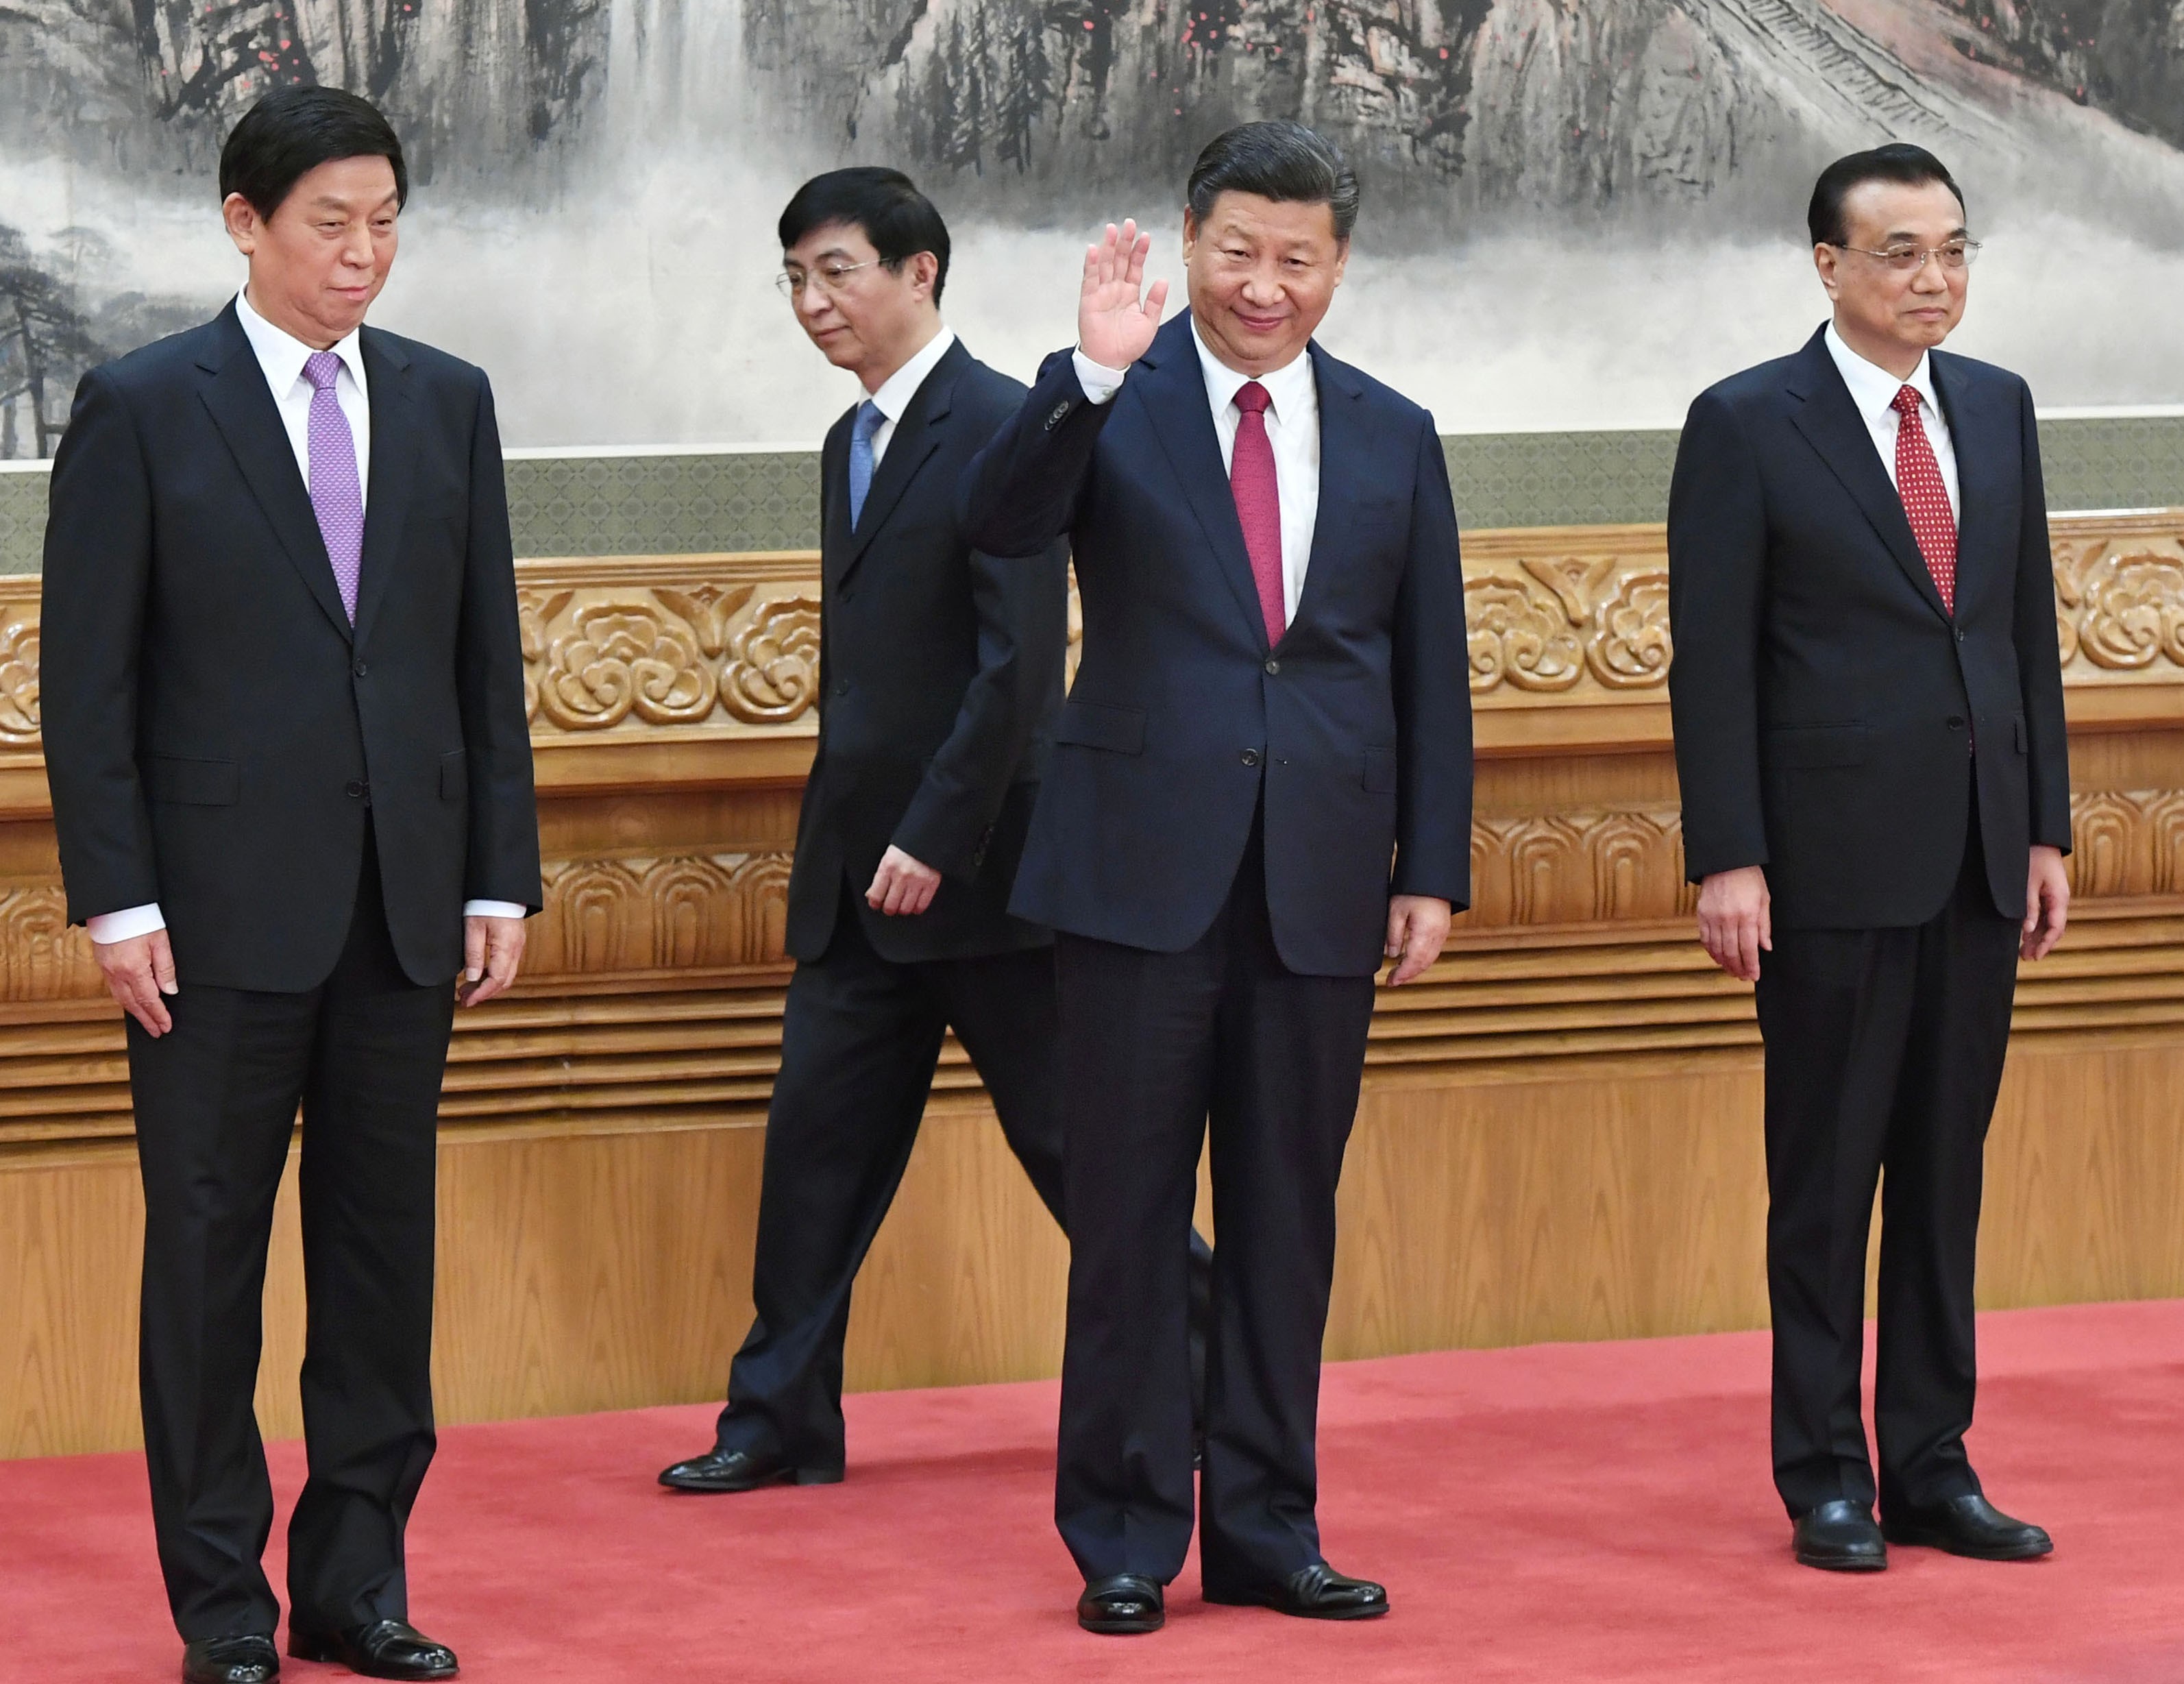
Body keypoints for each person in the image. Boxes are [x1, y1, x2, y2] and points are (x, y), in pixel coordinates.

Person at [40, 86, 539, 1684]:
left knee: (382, 1262)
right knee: (208, 1263)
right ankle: (224, 1608)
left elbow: (482, 665)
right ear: (243, 222)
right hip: (210, 919)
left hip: (406, 905)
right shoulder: (142, 403)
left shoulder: (448, 400)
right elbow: (86, 681)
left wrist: (497, 876)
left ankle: (354, 1582)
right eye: (331, 222)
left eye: (387, 220)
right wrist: (117, 899)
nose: (364, 253)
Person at [960, 121, 1473, 1634]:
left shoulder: (1391, 428)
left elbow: (1425, 670)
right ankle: (1123, 1531)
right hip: (1133, 876)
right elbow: (997, 527)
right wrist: (1087, 374)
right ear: (1188, 243)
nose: (1266, 285)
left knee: (1283, 1218)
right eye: (1238, 252)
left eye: (1297, 259)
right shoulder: (1117, 397)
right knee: (1124, 1219)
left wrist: (1426, 867)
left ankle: (1266, 1524)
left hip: (1320, 879)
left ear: (1338, 264)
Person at [658, 169, 1213, 1498]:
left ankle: (1219, 1376)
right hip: (855, 880)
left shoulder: (1003, 423)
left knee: (1082, 1152)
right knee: (815, 1152)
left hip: (987, 876)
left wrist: (937, 832)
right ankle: (779, 1417)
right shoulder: (847, 440)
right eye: (794, 278)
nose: (812, 303)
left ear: (920, 273)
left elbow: (1018, 667)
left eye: (836, 271)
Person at [1667, 143, 2070, 1574]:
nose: (1933, 279)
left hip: (1974, 855)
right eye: (1898, 252)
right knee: (1828, 1179)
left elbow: (2021, 633)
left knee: (1944, 1178)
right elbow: (1709, 660)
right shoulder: (1746, 422)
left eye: (1953, 249)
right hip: (1824, 864)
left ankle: (1929, 1460)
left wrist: (2043, 826)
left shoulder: (1999, 407)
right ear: (1827, 265)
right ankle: (1824, 1473)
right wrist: (1730, 855)